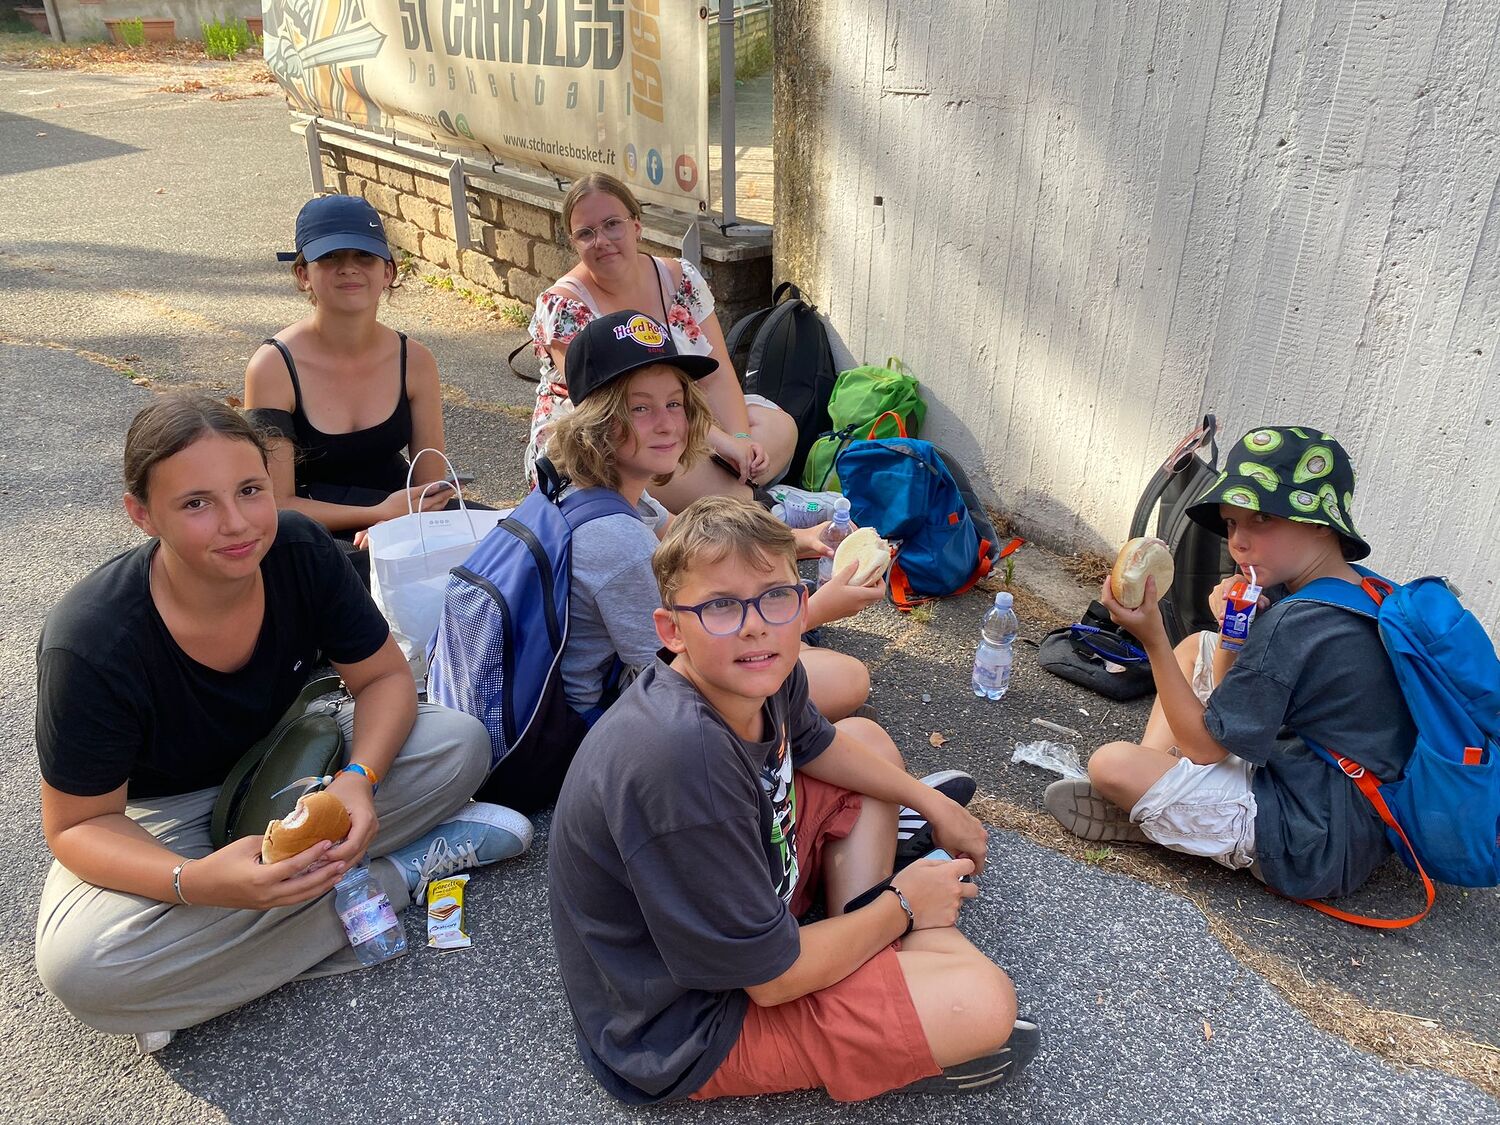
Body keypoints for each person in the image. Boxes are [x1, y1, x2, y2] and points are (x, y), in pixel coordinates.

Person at [33, 393, 532, 1053]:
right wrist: (194, 883)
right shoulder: (92, 640)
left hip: (299, 763)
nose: (237, 524)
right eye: (196, 503)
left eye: (250, 490)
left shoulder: (297, 548)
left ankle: (199, 970)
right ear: (142, 514)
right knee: (82, 968)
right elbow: (78, 824)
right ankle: (396, 876)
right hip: (168, 820)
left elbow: (384, 678)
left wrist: (359, 778)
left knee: (459, 743)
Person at [549, 496, 1038, 1104]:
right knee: (983, 1003)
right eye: (720, 605)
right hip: (688, 1027)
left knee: (867, 744)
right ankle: (886, 976)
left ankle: (863, 947)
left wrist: (932, 802)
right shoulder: (682, 760)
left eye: (774, 597)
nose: (755, 625)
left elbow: (819, 743)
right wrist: (905, 904)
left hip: (748, 904)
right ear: (672, 630)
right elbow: (772, 982)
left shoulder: (762, 675)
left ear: (802, 605)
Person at [497, 312, 879, 813]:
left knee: (811, 666)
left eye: (674, 403)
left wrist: (800, 540)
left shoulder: (588, 485)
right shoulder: (615, 539)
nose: (667, 423)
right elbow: (682, 664)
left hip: (585, 689)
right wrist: (817, 608)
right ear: (598, 420)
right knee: (847, 679)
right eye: (639, 408)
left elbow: (686, 537)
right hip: (592, 734)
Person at [1044, 427, 1417, 902]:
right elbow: (1231, 698)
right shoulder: (1359, 589)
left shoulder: (1296, 622)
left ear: (1321, 524)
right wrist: (1230, 634)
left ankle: (1154, 806)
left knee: (1112, 765)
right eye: (1231, 522)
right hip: (1354, 809)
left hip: (1310, 840)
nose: (1238, 542)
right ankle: (1160, 794)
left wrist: (1153, 638)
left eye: (1261, 518)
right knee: (1195, 646)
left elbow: (1207, 749)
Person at [525, 173, 798, 509]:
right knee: (648, 467)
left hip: (682, 415)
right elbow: (606, 409)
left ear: (637, 226)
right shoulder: (565, 305)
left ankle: (727, 497)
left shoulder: (680, 279)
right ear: (574, 243)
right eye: (586, 233)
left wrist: (740, 440)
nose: (601, 241)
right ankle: (757, 505)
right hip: (615, 434)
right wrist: (722, 443)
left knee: (779, 427)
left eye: (612, 224)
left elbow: (717, 374)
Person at [244, 194, 465, 583]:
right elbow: (276, 504)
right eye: (330, 257)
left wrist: (397, 525)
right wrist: (379, 515)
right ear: (303, 274)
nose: (348, 268)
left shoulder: (415, 359)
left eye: (364, 256)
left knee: (509, 550)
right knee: (354, 575)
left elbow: (430, 487)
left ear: (388, 272)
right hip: (311, 525)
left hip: (401, 515)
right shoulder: (273, 367)